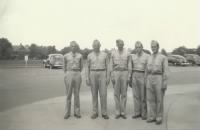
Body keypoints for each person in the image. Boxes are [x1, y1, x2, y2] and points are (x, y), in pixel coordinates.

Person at [86, 39, 110, 119]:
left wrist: (108, 77)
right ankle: (95, 112)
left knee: (103, 94)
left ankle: (104, 112)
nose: (96, 47)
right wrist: (87, 78)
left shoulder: (105, 54)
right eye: (94, 45)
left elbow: (108, 66)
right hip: (93, 73)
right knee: (94, 94)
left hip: (102, 73)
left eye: (97, 45)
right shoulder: (89, 55)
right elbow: (87, 68)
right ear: (93, 46)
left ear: (100, 46)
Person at [146, 40, 169, 124]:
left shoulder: (163, 57)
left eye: (154, 46)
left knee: (159, 99)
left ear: (158, 47)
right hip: (149, 77)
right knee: (150, 98)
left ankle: (159, 117)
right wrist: (146, 80)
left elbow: (166, 71)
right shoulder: (149, 57)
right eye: (152, 47)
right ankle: (152, 116)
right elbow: (146, 70)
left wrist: (164, 83)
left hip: (159, 77)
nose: (153, 48)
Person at [111, 39, 131, 119]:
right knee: (116, 93)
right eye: (119, 44)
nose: (120, 45)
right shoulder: (113, 53)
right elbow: (111, 64)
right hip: (116, 72)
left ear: (123, 44)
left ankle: (123, 112)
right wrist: (112, 75)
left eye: (122, 44)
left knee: (124, 93)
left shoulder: (127, 52)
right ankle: (117, 111)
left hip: (124, 72)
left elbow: (129, 64)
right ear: (117, 45)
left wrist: (129, 75)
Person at [129, 41, 149, 120]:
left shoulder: (147, 56)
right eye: (136, 47)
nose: (137, 49)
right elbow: (130, 68)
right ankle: (137, 112)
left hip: (143, 74)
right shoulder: (133, 56)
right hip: (134, 75)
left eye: (139, 47)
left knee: (143, 95)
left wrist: (146, 78)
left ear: (142, 47)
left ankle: (144, 113)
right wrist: (130, 78)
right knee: (136, 95)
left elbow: (147, 69)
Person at [64, 41, 83, 119]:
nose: (73, 47)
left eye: (75, 46)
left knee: (77, 94)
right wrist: (67, 74)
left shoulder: (80, 56)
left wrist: (77, 72)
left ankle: (77, 112)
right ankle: (67, 113)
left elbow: (81, 66)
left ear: (77, 47)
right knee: (68, 94)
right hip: (69, 73)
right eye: (72, 46)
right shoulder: (66, 56)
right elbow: (64, 66)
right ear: (70, 47)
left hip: (77, 73)